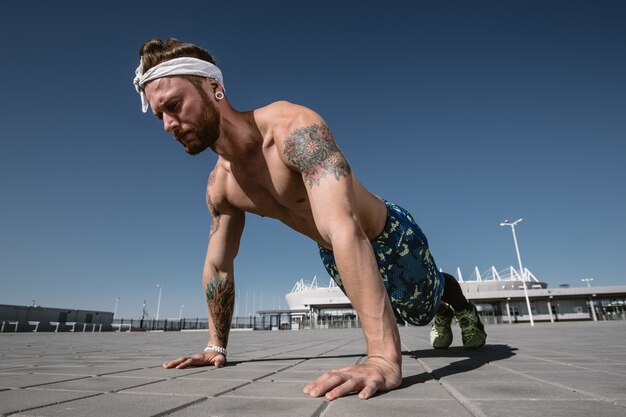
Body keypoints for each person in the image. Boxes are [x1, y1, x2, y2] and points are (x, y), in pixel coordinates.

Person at [132, 38, 486, 401]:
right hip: (334, 252)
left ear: (214, 87)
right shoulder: (221, 187)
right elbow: (219, 267)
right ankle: (441, 311)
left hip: (384, 233)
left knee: (423, 306)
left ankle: (459, 307)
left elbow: (345, 226)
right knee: (406, 312)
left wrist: (382, 360)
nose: (167, 125)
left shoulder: (293, 128)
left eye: (174, 106)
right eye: (160, 115)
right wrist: (215, 347)